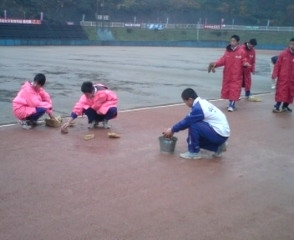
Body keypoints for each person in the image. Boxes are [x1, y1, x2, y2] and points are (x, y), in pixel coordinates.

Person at [162, 88, 230, 159]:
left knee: (193, 125)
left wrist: (172, 130)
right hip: (221, 133)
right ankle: (219, 147)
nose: (185, 104)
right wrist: (173, 130)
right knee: (191, 140)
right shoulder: (201, 103)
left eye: (185, 102)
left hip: (219, 134)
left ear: (190, 99)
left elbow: (187, 122)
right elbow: (188, 118)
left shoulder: (198, 108)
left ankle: (194, 152)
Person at [208, 34, 250, 112]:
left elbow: (244, 60)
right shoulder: (228, 51)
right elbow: (223, 60)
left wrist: (245, 64)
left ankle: (231, 105)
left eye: (234, 41)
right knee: (228, 89)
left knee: (234, 89)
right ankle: (230, 102)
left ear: (237, 42)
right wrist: (215, 64)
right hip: (227, 74)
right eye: (231, 40)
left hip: (236, 75)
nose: (232, 42)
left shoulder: (241, 52)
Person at [272, 38, 294, 113]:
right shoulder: (283, 54)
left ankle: (285, 106)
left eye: (293, 44)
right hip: (283, 77)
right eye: (291, 44)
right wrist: (275, 74)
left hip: (292, 79)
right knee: (281, 92)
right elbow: (277, 65)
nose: (292, 45)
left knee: (290, 92)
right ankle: (277, 106)